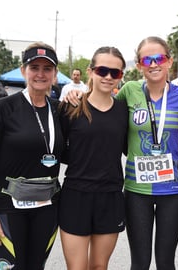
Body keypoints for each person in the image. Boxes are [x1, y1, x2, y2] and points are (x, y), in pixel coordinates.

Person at [0, 42, 64, 269]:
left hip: (47, 206)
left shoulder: (60, 110)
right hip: (8, 205)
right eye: (34, 67)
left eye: (47, 69)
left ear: (55, 74)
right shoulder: (2, 108)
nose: (40, 73)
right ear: (23, 69)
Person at [116, 36, 178, 269]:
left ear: (169, 61)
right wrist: (77, 97)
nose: (154, 64)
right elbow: (107, 120)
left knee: (166, 261)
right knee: (139, 262)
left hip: (174, 188)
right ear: (139, 65)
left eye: (160, 58)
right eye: (147, 59)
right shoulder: (128, 91)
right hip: (137, 189)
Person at [58, 46, 128, 270]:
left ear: (121, 77)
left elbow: (130, 148)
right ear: (91, 71)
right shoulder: (72, 107)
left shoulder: (123, 111)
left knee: (99, 266)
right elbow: (57, 150)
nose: (108, 77)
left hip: (110, 197)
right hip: (76, 196)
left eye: (115, 73)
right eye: (102, 70)